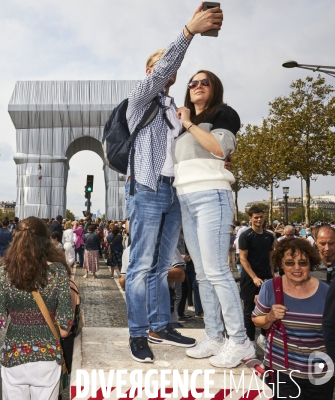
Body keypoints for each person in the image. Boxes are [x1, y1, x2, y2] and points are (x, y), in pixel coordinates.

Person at [124, 5, 221, 362]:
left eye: (172, 66)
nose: (169, 69)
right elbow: (164, 65)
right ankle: (137, 334)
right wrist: (188, 32)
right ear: (151, 71)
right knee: (139, 264)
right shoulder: (140, 98)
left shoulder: (175, 112)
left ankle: (160, 324)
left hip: (173, 191)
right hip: (147, 188)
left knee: (162, 265)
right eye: (162, 65)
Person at [173, 70, 254, 367]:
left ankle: (240, 341)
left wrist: (189, 124)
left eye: (203, 82)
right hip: (186, 200)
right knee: (204, 274)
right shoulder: (183, 127)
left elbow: (221, 148)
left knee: (218, 271)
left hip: (211, 196)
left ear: (214, 88)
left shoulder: (223, 113)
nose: (196, 86)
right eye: (192, 83)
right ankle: (215, 336)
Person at [0, 217, 73, 399]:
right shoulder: (58, 272)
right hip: (47, 356)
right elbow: (65, 329)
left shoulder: (4, 272)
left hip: (14, 355)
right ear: (46, 241)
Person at [253, 238, 334, 398]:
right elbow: (256, 319)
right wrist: (270, 316)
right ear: (281, 264)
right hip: (282, 372)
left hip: (320, 373)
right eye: (289, 263)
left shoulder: (327, 292)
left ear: (311, 263)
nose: (296, 268)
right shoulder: (270, 287)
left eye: (303, 263)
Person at [239, 206, 276, 349]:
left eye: (261, 216)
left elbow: (271, 255)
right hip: (250, 279)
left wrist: (272, 271)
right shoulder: (245, 236)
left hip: (266, 277)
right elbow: (243, 259)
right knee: (249, 310)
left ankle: (262, 337)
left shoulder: (269, 236)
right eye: (256, 217)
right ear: (250, 218)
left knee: (267, 308)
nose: (259, 219)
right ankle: (251, 342)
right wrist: (254, 277)